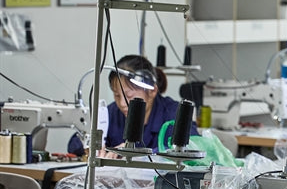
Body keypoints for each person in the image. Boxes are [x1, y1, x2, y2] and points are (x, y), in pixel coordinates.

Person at [68, 55, 197, 157]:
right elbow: (74, 144)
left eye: (129, 96)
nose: (122, 103)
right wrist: (90, 145)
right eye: (116, 95)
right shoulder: (112, 113)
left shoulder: (173, 114)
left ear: (152, 91)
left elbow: (194, 146)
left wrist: (137, 153)